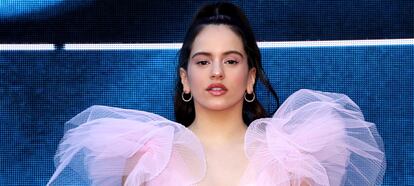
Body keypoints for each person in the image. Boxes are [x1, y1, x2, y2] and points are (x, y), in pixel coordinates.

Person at [47, 2, 385, 186]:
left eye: (231, 60)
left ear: (251, 77)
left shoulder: (292, 158)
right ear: (185, 78)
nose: (217, 72)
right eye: (203, 60)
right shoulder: (146, 159)